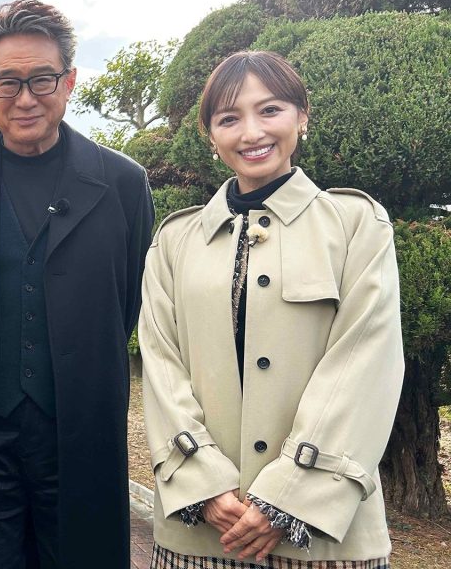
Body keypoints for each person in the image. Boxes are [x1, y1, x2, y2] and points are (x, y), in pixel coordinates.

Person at [140, 50, 403, 568]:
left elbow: (364, 363)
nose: (252, 132)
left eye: (270, 110)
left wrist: (290, 494)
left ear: (302, 116)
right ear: (210, 136)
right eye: (229, 118)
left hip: (325, 538)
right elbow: (161, 365)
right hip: (201, 529)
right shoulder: (175, 240)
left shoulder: (355, 225)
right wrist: (203, 483)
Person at [0, 0, 154, 568]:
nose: (25, 98)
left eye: (42, 79)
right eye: (7, 82)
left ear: (69, 81)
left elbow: (126, 303)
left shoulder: (124, 184)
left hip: (80, 428)